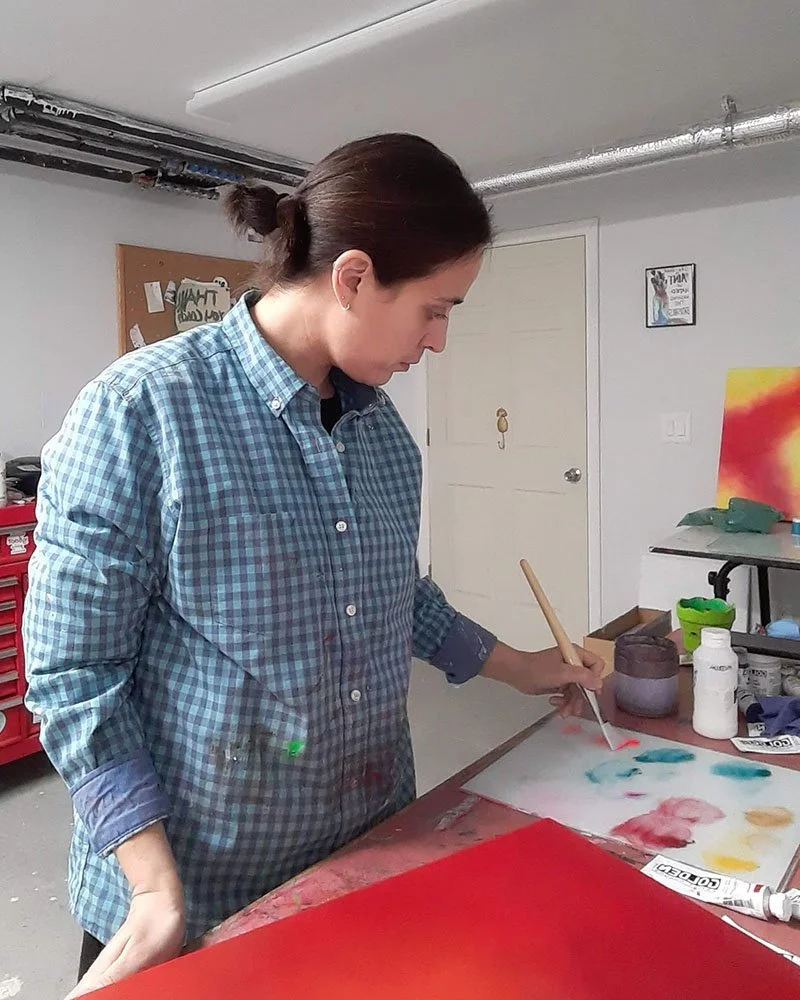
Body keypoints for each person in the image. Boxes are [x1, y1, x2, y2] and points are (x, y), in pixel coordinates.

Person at [23, 133, 602, 997]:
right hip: (191, 894)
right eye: (436, 309)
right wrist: (150, 883)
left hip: (361, 857)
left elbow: (398, 599)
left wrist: (525, 668)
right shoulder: (142, 413)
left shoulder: (384, 438)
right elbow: (74, 674)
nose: (438, 343)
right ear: (355, 277)